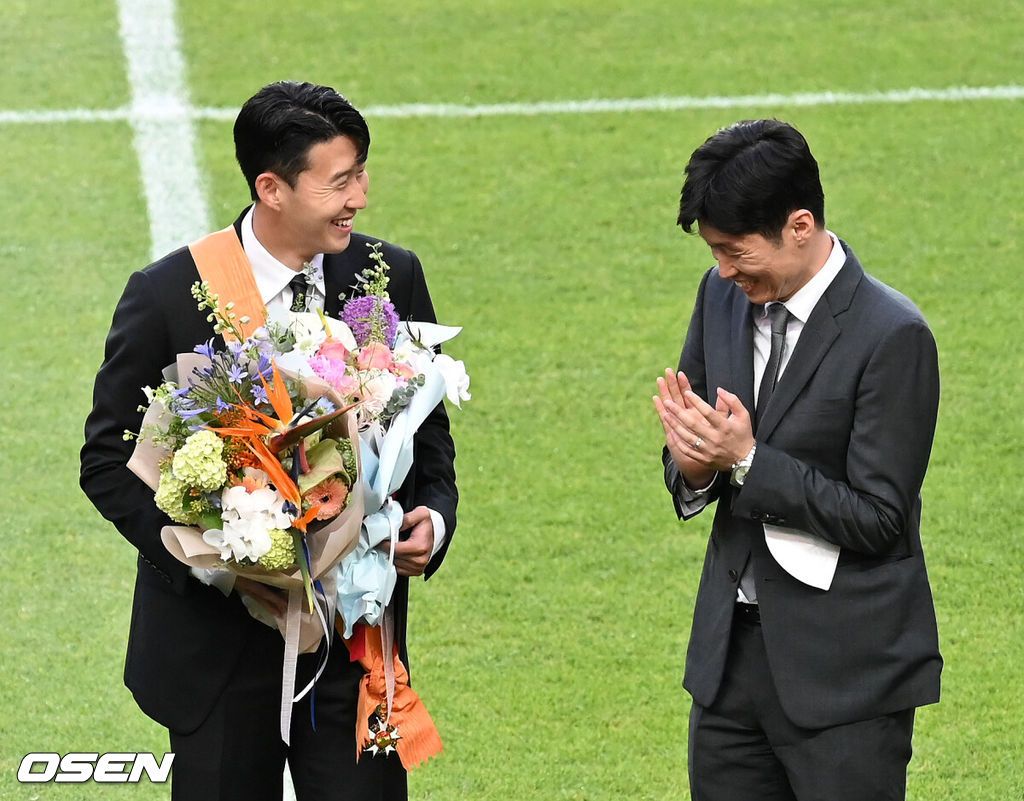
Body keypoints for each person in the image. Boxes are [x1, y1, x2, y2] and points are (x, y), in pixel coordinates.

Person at [80, 80, 458, 801]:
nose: (361, 196)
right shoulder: (168, 293)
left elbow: (427, 438)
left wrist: (431, 520)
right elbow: (106, 458)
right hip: (217, 654)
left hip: (354, 642)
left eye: (361, 173)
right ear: (272, 187)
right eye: (340, 180)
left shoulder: (387, 278)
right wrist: (216, 557)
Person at [652, 119, 941, 800]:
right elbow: (698, 459)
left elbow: (878, 517)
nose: (723, 269)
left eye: (734, 250)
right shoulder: (721, 296)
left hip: (845, 677)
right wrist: (693, 465)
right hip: (729, 670)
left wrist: (748, 459)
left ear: (801, 224)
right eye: (713, 251)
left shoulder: (894, 337)